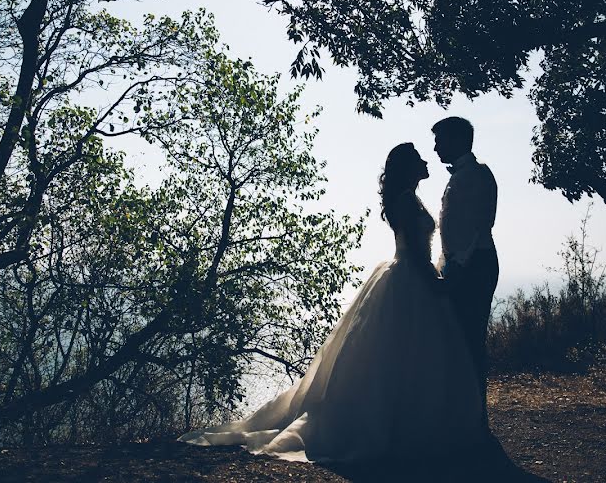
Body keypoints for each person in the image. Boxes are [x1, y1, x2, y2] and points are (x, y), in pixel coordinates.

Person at [179, 143, 484, 463]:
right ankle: (406, 425)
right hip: (414, 277)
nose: (425, 161)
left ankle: (403, 422)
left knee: (396, 356)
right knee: (408, 355)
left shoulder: (406, 198)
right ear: (408, 167)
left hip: (407, 274)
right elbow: (414, 250)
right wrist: (436, 283)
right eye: (419, 159)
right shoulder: (407, 201)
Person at [432, 116, 510, 467]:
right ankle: (465, 417)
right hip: (462, 265)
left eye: (440, 140)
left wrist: (458, 268)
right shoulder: (459, 176)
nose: (435, 147)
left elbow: (481, 224)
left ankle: (477, 421)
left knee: (471, 341)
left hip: (475, 266)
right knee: (459, 342)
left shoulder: (479, 174)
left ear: (458, 140)